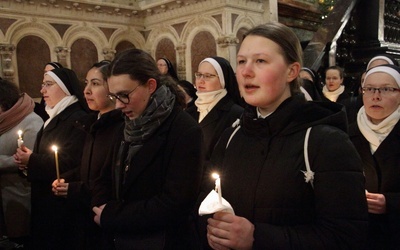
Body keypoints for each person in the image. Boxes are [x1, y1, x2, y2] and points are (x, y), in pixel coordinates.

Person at [199, 22, 368, 250]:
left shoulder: (325, 142)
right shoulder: (232, 135)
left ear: (292, 71)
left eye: (260, 61)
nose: (246, 71)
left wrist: (257, 238)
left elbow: (346, 237)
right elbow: (208, 200)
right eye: (241, 61)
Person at [91, 48, 205, 249]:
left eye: (124, 95)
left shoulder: (184, 131)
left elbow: (175, 203)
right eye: (114, 96)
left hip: (160, 240)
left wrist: (113, 215)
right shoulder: (124, 122)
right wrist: (101, 205)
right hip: (118, 238)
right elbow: (105, 176)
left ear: (151, 85)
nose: (118, 105)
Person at [51, 60, 124, 249]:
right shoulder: (91, 123)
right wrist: (67, 179)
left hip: (103, 216)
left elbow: (110, 180)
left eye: (96, 83)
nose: (86, 91)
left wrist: (74, 189)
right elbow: (87, 166)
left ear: (113, 88)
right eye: (86, 83)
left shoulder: (121, 128)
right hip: (83, 215)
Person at [14, 68, 88, 249]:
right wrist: (26, 163)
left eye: (48, 84)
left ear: (64, 87)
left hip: (62, 203)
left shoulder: (78, 118)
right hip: (47, 199)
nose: (42, 90)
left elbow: (70, 159)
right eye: (42, 85)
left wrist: (32, 160)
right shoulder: (53, 115)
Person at [348, 64, 400, 250]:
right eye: (369, 89)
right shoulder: (344, 133)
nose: (375, 96)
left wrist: (391, 203)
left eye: (386, 89)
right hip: (356, 236)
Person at [0, 80, 43, 248]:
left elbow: (27, 159)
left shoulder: (31, 122)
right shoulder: (3, 121)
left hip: (18, 195)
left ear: (4, 103)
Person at [186, 56, 244, 160]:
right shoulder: (189, 111)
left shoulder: (236, 114)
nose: (201, 80)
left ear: (222, 79)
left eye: (208, 76)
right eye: (199, 75)